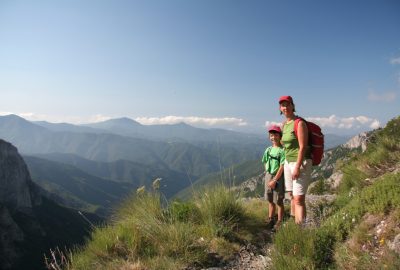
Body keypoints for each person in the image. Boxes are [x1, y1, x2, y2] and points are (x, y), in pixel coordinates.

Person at [279, 95, 312, 225]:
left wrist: (297, 166)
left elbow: (303, 146)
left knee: (299, 199)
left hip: (301, 162)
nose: (285, 107)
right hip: (288, 162)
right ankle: (294, 223)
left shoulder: (299, 123)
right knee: (292, 195)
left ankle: (301, 230)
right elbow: (284, 143)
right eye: (282, 105)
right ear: (280, 108)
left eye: (287, 104)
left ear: (293, 106)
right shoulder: (284, 125)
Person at [261, 125, 285, 230]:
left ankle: (279, 221)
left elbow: (282, 166)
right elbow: (265, 161)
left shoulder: (282, 150)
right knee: (270, 199)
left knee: (279, 201)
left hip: (278, 177)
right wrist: (267, 173)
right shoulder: (268, 149)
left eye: (275, 135)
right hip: (269, 175)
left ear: (280, 136)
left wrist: (275, 179)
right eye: (271, 135)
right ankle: (271, 219)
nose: (273, 137)